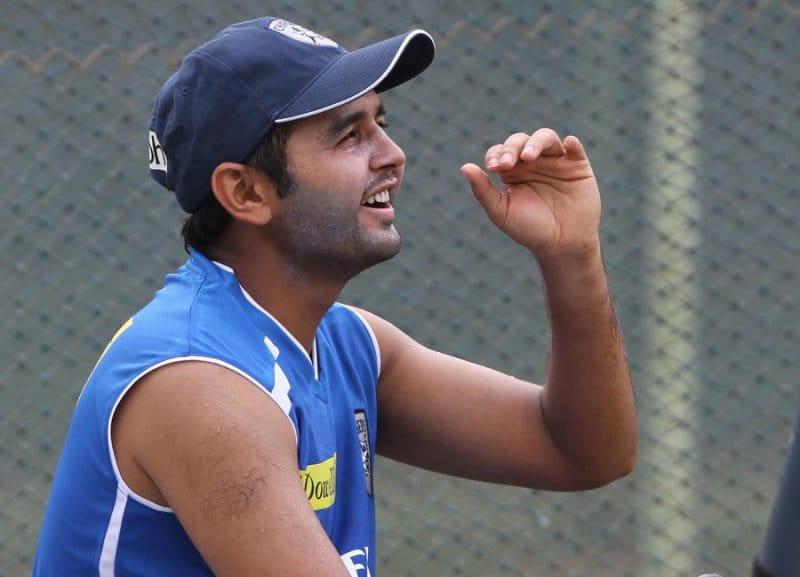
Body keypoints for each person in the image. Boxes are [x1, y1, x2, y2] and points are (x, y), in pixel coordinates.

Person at [32, 16, 637, 577]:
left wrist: (572, 255)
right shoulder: (198, 380)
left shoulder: (345, 343)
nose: (393, 155)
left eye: (382, 123)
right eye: (349, 136)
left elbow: (582, 452)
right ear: (245, 193)